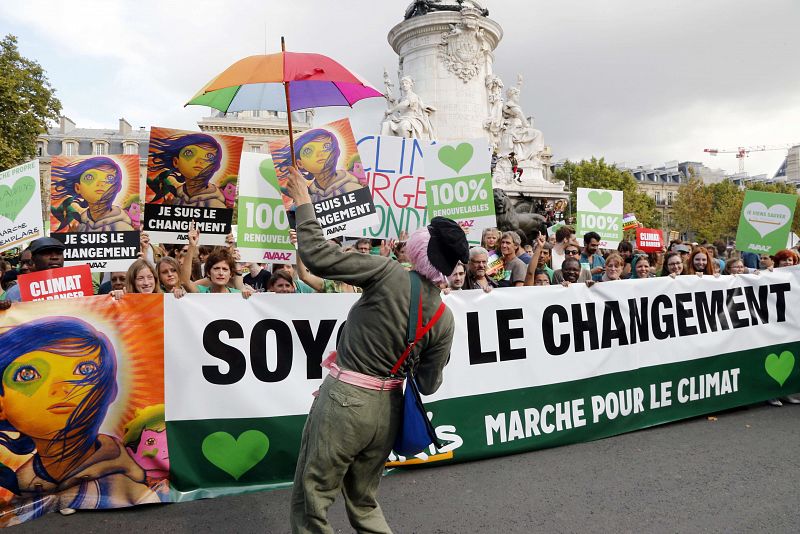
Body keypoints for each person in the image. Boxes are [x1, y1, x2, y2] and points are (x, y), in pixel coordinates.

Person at [285, 165, 466, 533]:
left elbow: (319, 257)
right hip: (388, 411)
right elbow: (429, 385)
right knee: (365, 501)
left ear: (419, 247)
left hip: (346, 401)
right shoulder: (444, 319)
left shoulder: (388, 272)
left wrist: (303, 202)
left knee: (313, 496)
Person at [0, 317, 160, 525]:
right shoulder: (18, 484)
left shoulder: (128, 487)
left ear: (110, 390)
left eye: (85, 370)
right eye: (28, 374)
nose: (62, 388)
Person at [273, 129, 363, 204]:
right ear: (300, 163)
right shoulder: (308, 193)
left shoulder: (351, 188)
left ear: (336, 152)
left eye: (326, 146)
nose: (320, 153)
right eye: (308, 151)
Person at [51, 157, 134, 232]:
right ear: (78, 188)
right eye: (90, 177)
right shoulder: (79, 225)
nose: (101, 183)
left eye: (110, 178)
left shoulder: (122, 227)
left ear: (118, 187)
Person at [148, 132, 226, 208]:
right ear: (176, 162)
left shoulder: (215, 203)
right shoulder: (177, 196)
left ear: (216, 166)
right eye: (189, 153)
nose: (199, 160)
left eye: (209, 156)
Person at [1, 237, 66, 307]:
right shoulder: (16, 292)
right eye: (47, 253)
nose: (54, 257)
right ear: (33, 260)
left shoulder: (77, 285)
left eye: (59, 253)